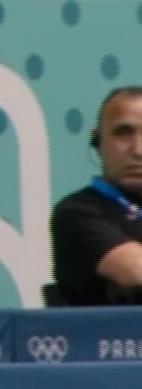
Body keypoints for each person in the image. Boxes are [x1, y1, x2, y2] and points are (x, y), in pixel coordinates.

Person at [52, 86, 142, 306]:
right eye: (123, 133)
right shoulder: (76, 213)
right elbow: (136, 270)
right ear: (98, 143)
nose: (138, 150)